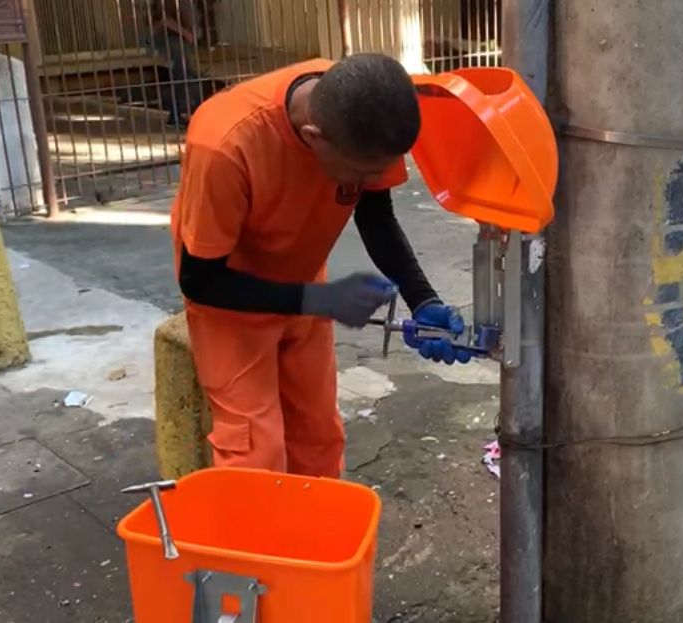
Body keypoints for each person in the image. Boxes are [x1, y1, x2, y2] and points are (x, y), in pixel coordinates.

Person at [171, 54, 471, 478]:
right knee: (255, 452)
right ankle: (257, 543)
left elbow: (376, 216)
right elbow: (199, 281)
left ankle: (316, 541)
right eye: (361, 174)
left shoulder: (366, 111)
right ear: (313, 137)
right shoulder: (225, 144)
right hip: (232, 300)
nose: (370, 182)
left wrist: (422, 299)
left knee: (318, 439)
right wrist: (320, 300)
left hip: (306, 280)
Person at [144, 0, 203, 127]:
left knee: (185, 75)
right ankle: (178, 114)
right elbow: (165, 20)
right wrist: (186, 33)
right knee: (183, 76)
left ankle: (179, 114)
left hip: (180, 40)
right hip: (172, 39)